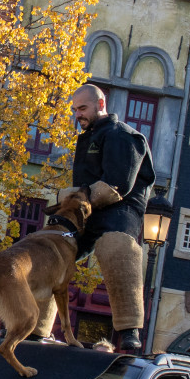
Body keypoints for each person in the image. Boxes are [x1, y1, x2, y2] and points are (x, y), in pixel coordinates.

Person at [67, 84, 154, 352]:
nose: (78, 115)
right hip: (89, 208)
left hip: (122, 208)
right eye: (74, 110)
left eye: (82, 108)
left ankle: (129, 329)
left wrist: (70, 198)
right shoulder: (89, 137)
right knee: (54, 248)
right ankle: (35, 327)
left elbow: (117, 185)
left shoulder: (123, 136)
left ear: (101, 105)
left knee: (116, 246)